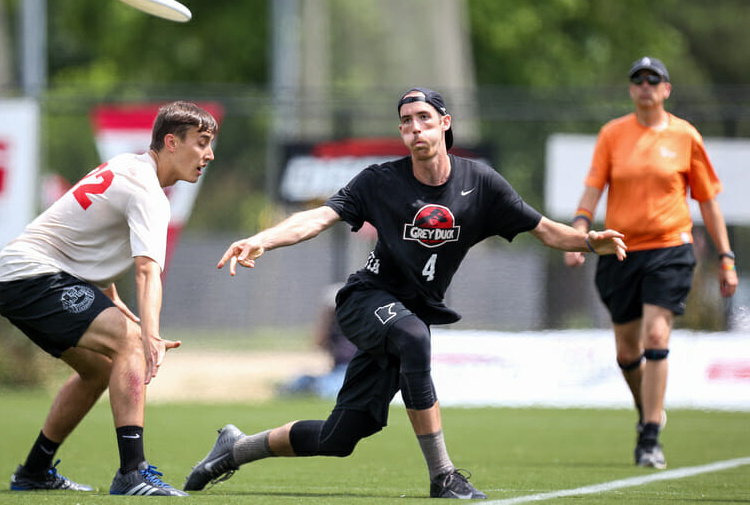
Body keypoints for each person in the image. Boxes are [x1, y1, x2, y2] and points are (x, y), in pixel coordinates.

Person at [184, 87, 627, 499]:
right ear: (401, 132)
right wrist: (265, 238)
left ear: (444, 124)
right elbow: (318, 218)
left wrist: (590, 241)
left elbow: (546, 231)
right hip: (366, 301)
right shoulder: (380, 180)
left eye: (424, 118)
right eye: (407, 121)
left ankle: (236, 447)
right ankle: (444, 476)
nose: (416, 128)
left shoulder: (482, 184)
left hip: (407, 315)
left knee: (338, 438)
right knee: (414, 338)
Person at [0, 101, 217, 495]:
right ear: (171, 142)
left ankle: (34, 471)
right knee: (127, 340)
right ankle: (133, 474)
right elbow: (147, 272)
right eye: (201, 143)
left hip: (19, 276)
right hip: (31, 276)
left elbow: (90, 254)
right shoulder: (148, 192)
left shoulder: (127, 167)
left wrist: (129, 318)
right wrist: (147, 334)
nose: (209, 154)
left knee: (98, 369)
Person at [564, 57, 738, 470]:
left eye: (653, 79)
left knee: (656, 336)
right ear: (631, 90)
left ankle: (649, 437)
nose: (645, 86)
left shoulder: (685, 136)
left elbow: (709, 202)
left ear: (666, 89)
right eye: (638, 80)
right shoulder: (613, 134)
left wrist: (726, 257)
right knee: (627, 349)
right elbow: (591, 191)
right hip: (619, 250)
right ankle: (650, 409)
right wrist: (578, 235)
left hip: (670, 248)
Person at [277, 283, 357, 399]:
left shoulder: (358, 327)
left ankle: (313, 389)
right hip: (338, 372)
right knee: (303, 378)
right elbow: (318, 344)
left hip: (352, 373)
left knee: (332, 386)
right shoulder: (335, 330)